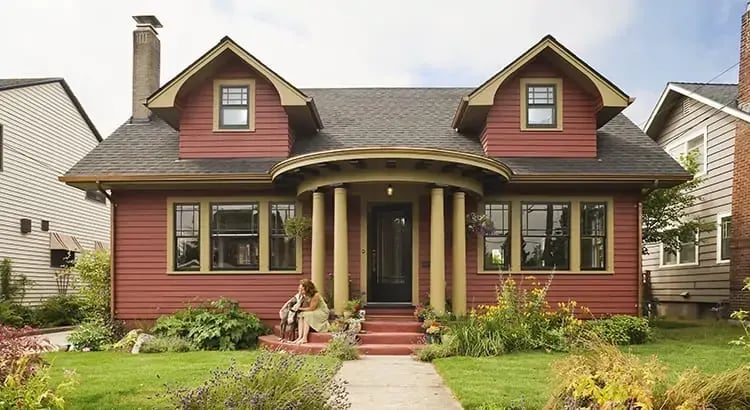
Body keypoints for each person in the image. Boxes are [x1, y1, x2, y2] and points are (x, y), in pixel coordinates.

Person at [289, 279, 330, 344]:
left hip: (321, 311)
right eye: (300, 289)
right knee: (301, 315)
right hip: (313, 310)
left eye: (302, 289)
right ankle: (300, 337)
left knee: (306, 315)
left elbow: (312, 308)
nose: (300, 290)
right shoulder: (305, 294)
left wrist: (299, 308)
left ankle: (304, 338)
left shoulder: (316, 295)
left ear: (307, 288)